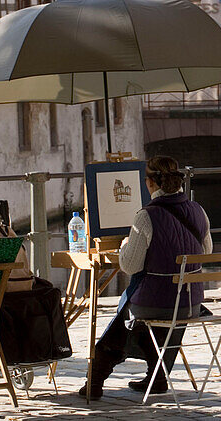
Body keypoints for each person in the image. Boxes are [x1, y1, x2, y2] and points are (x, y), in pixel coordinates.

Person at [78, 155, 212, 400]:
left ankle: (95, 381)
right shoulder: (198, 210)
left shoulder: (146, 216)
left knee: (125, 320)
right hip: (190, 304)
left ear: (150, 183)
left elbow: (129, 266)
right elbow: (206, 253)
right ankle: (158, 377)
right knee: (156, 320)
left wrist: (125, 245)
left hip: (156, 303)